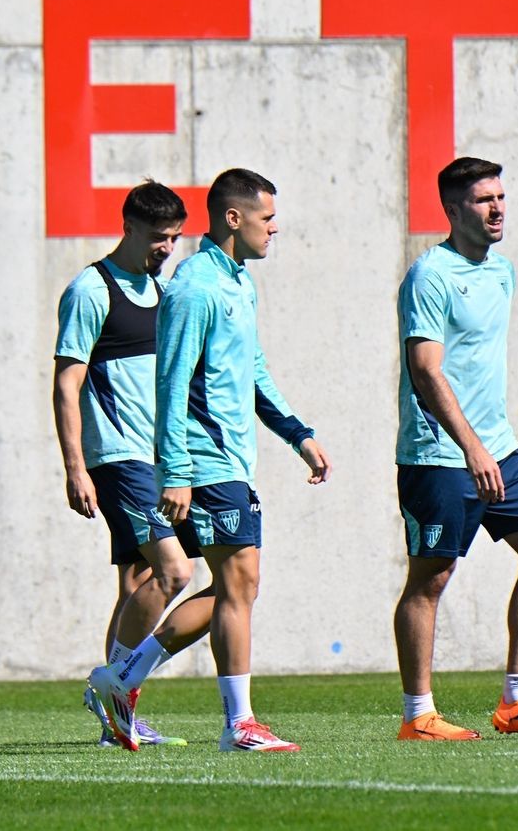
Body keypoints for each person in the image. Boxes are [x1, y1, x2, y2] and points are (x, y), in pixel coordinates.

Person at [92, 168, 332, 753]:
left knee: (237, 590)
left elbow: (251, 372)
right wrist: (174, 472)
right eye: (266, 218)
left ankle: (120, 679)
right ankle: (238, 725)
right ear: (233, 218)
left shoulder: (239, 284)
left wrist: (297, 433)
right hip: (203, 463)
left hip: (231, 460)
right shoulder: (194, 287)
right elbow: (171, 385)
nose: (274, 228)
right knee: (237, 582)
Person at [393, 156, 518, 740]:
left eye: (501, 197)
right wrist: (471, 447)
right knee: (432, 577)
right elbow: (426, 372)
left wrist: (489, 445)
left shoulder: (502, 272)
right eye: (483, 200)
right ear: (452, 210)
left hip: (500, 446)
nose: (497, 208)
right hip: (440, 453)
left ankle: (517, 703)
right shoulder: (430, 277)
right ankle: (418, 714)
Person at [53, 181, 214, 750]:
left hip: (160, 457)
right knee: (175, 572)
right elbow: (67, 385)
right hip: (119, 458)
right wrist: (76, 467)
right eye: (157, 237)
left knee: (137, 582)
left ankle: (117, 715)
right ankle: (115, 685)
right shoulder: (90, 291)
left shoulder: (161, 288)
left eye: (174, 237)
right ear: (128, 227)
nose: (167, 247)